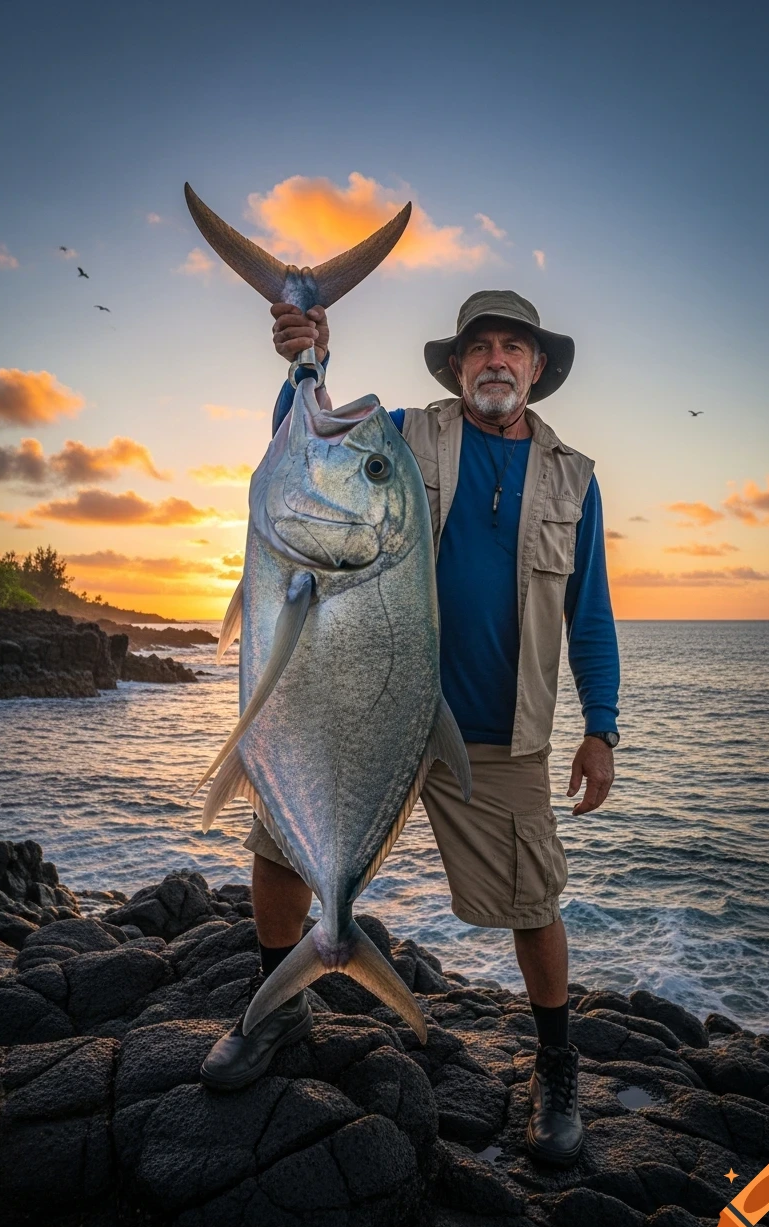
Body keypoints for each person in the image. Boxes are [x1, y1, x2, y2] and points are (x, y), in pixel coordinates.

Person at [201, 289, 620, 1169]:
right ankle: (276, 1009)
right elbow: (306, 450)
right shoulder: (403, 434)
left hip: (502, 728)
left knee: (533, 900)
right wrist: (304, 356)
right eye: (480, 348)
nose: (496, 360)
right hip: (361, 699)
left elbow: (591, 615)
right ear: (458, 365)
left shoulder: (576, 480)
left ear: (538, 368)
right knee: (279, 847)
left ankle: (556, 1063)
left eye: (514, 347)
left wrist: (602, 727)